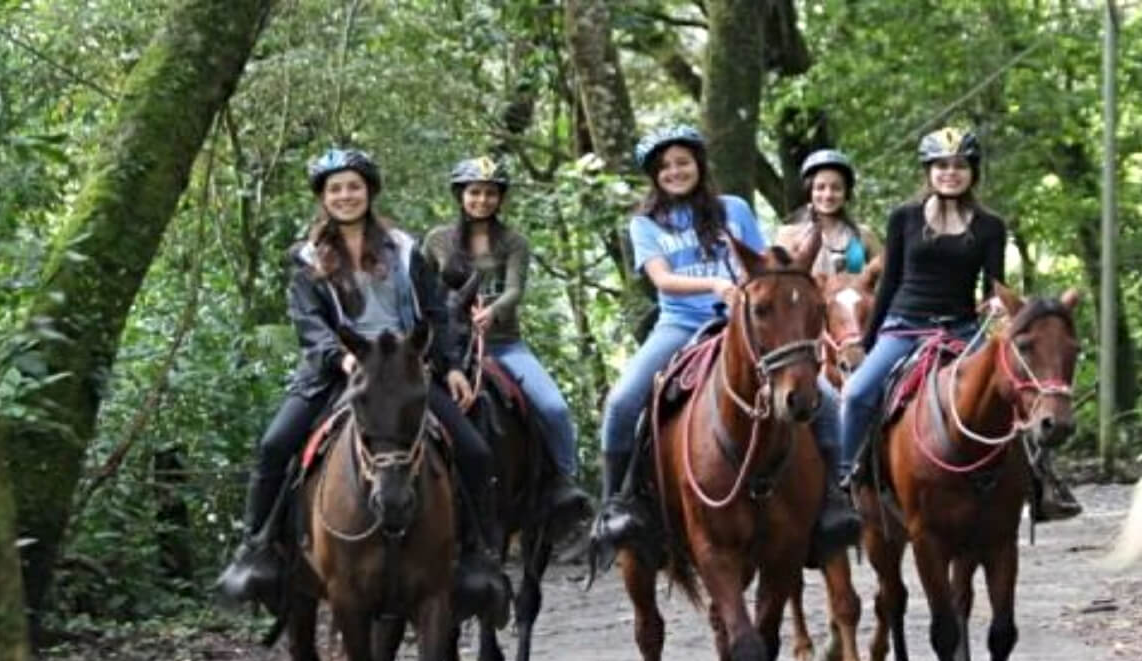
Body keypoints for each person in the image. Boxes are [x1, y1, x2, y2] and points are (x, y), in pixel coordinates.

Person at [216, 148, 511, 626]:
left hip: (404, 372)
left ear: (369, 191)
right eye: (336, 189)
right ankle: (258, 550)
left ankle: (479, 558)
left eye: (354, 186)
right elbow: (309, 324)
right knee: (275, 445)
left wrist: (452, 365)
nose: (346, 196)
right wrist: (344, 355)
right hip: (337, 372)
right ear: (323, 198)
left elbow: (435, 310)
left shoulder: (404, 248)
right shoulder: (306, 259)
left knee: (474, 450)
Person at [591, 125, 860, 554]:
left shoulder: (733, 208)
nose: (676, 172)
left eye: (683, 162)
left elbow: (762, 262)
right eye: (665, 167)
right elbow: (660, 278)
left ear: (698, 164)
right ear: (655, 176)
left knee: (825, 398)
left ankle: (833, 498)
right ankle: (615, 505)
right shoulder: (646, 223)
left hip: (745, 326)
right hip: (679, 326)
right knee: (623, 401)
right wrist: (716, 285)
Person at [836, 127, 1081, 521]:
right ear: (928, 171)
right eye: (942, 166)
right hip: (904, 325)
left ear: (973, 172)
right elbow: (891, 281)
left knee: (1011, 389)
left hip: (961, 330)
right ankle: (845, 481)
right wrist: (868, 340)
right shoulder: (904, 218)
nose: (951, 173)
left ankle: (1040, 481)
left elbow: (992, 285)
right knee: (857, 393)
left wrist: (996, 307)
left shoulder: (989, 226)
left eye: (960, 166)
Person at [421, 157, 586, 515]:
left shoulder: (513, 242)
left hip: (503, 344)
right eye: (475, 192)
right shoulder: (437, 240)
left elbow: (514, 289)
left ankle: (565, 482)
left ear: (500, 198)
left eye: (490, 193)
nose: (482, 200)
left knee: (554, 408)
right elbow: (422, 291)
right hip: (449, 347)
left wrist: (493, 311)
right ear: (461, 195)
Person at [774, 149, 883, 277]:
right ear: (810, 191)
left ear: (846, 193)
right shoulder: (790, 235)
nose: (828, 195)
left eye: (836, 188)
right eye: (820, 188)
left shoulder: (861, 236)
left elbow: (887, 279)